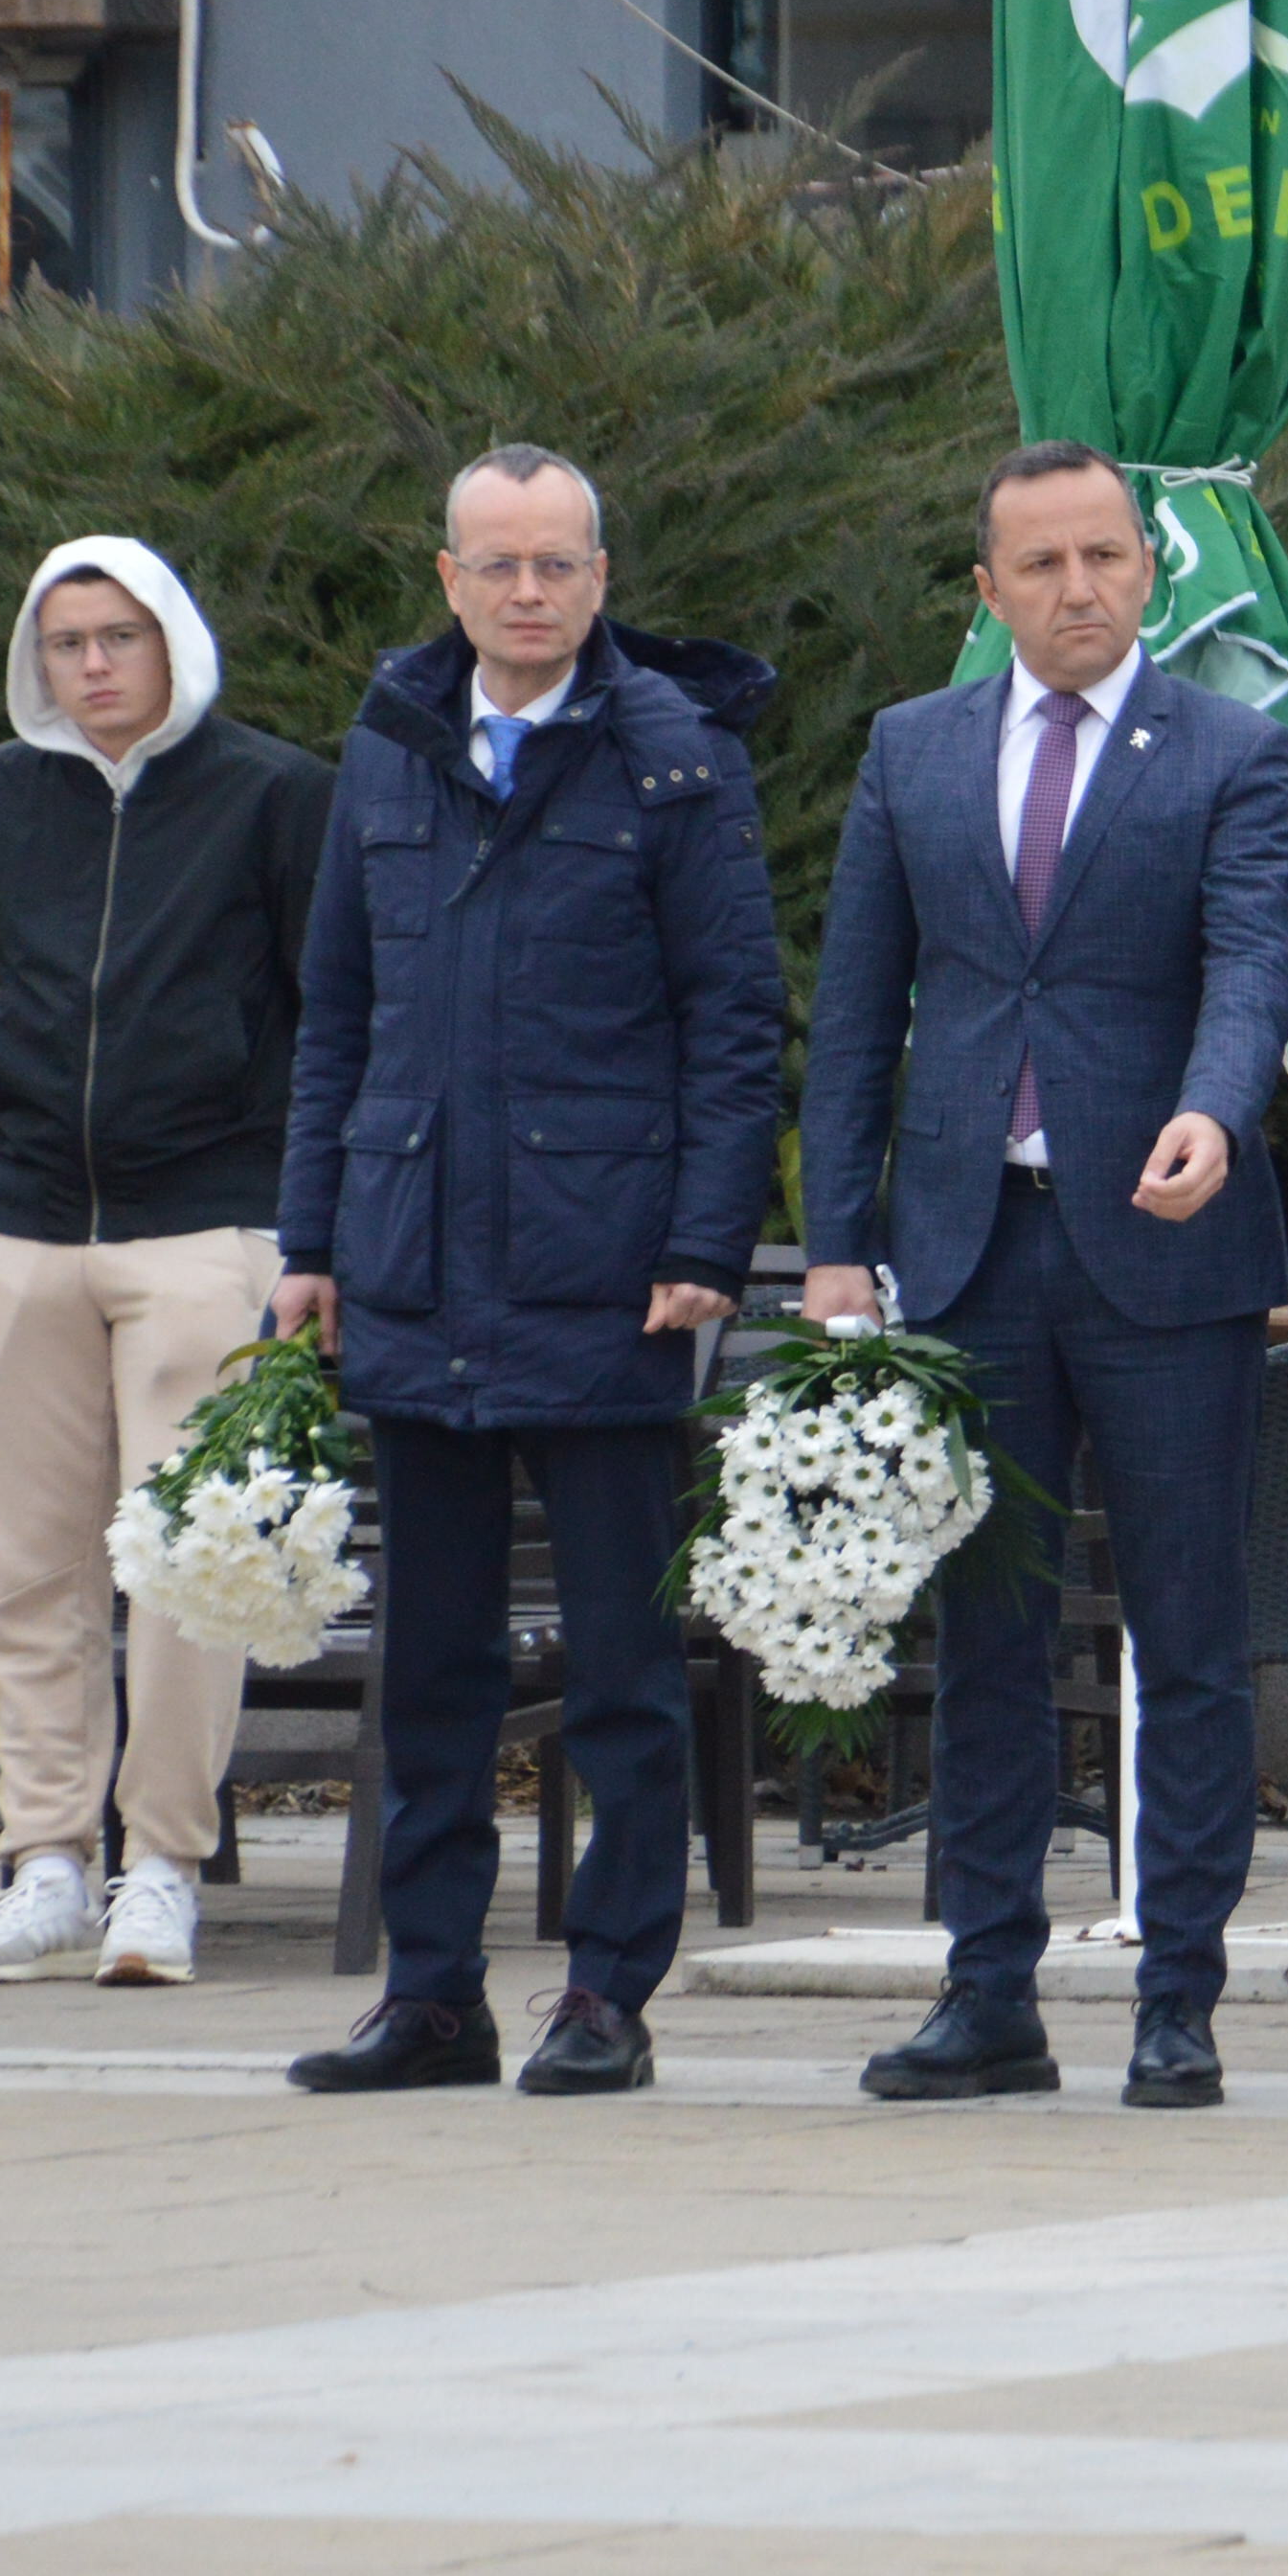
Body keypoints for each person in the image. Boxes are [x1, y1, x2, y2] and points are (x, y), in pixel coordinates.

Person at [795, 442, 1288, 2112]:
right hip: (964, 1252)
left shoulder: (1231, 750)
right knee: (987, 1632)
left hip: (1167, 1255)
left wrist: (1218, 1111)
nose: (1078, 587)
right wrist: (829, 1250)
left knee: (1193, 1634)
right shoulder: (910, 751)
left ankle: (1179, 1997)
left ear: (1144, 572)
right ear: (988, 589)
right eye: (1043, 564)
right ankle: (989, 1989)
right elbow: (858, 1012)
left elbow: (1255, 962)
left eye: (1104, 556)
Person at [272, 448, 787, 2098]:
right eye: (496, 564)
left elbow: (735, 1019)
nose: (526, 591)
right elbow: (337, 1018)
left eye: (556, 563)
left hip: (608, 1270)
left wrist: (709, 1241)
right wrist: (310, 1242)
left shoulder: (675, 757)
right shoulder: (388, 752)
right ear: (447, 580)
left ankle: (606, 1995)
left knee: (627, 1671)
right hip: (413, 1258)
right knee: (431, 1665)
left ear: (600, 575)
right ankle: (432, 1995)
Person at [0, 538, 332, 1988]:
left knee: (188, 1577)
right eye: (66, 640)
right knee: (24, 1572)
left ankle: (160, 1867)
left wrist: (288, 1219)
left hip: (203, 1233)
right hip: (27, 1232)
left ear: (177, 645)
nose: (93, 664)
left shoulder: (274, 795)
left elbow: (325, 1014)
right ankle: (44, 1862)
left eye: (119, 636)